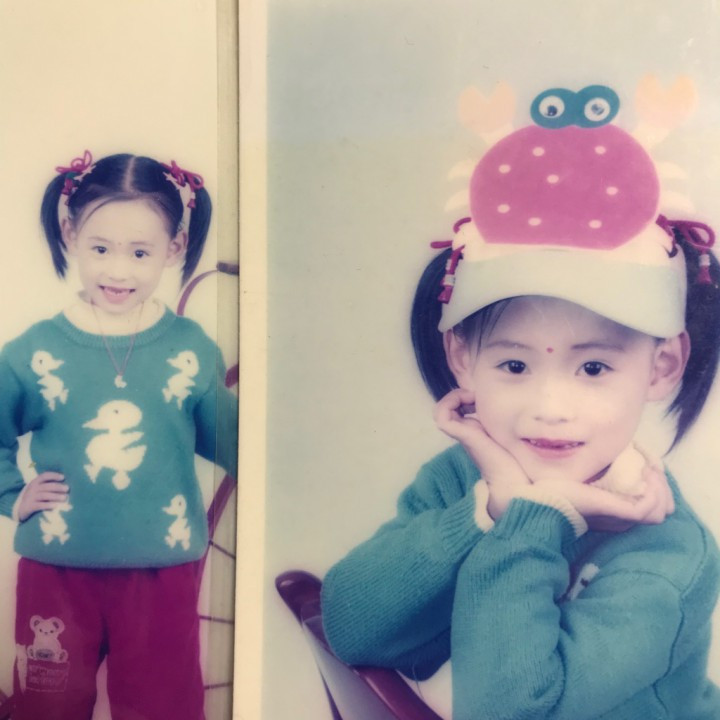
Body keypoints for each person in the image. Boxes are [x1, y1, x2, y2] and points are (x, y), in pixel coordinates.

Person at [321, 85, 720, 719]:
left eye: (594, 367)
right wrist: (492, 510)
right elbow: (349, 628)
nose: (550, 407)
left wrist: (536, 517)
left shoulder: (667, 556)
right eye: (514, 365)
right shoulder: (464, 480)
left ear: (662, 366)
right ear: (462, 359)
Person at [0, 151, 237, 720]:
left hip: (162, 572)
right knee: (47, 707)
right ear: (69, 234)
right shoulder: (34, 351)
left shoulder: (190, 348)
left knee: (162, 707)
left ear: (175, 248)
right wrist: (12, 495)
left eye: (140, 252)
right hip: (57, 571)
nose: (118, 271)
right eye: (101, 248)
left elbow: (234, 446)